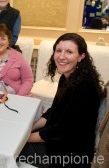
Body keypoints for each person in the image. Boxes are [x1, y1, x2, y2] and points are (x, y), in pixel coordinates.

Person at [19, 33, 103, 168]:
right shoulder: (68, 77)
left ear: (81, 56)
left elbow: (60, 132)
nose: (62, 56)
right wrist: (29, 128)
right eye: (58, 50)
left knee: (11, 150)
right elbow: (53, 111)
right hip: (58, 143)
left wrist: (23, 138)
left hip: (69, 155)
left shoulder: (85, 88)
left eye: (69, 52)